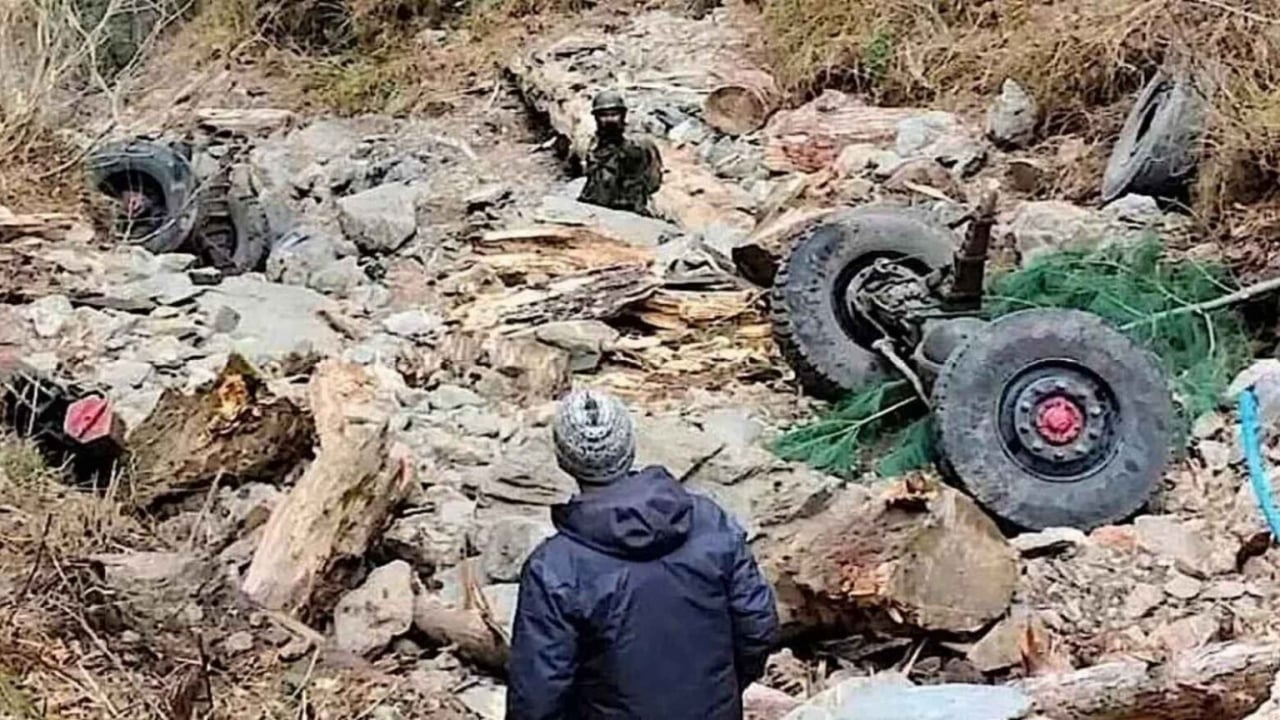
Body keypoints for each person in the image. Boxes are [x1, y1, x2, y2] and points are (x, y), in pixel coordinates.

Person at [506, 389, 779, 720]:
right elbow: (758, 626)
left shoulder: (554, 567)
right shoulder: (709, 521)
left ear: (565, 460)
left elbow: (537, 696)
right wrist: (722, 688)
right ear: (629, 447)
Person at [578, 90, 664, 217]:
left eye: (614, 114)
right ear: (596, 118)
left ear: (623, 115)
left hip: (629, 209)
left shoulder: (641, 144)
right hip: (593, 207)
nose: (609, 119)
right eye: (604, 115)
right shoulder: (589, 144)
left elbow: (654, 181)